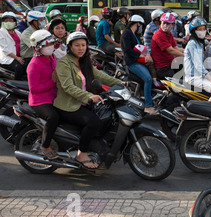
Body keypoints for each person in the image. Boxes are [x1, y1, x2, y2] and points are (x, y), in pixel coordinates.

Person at [53, 32, 122, 170]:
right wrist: (88, 96)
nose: (81, 48)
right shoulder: (64, 63)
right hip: (68, 105)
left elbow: (100, 75)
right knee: (94, 121)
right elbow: (68, 87)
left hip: (82, 102)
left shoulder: (84, 62)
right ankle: (81, 154)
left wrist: (121, 82)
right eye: (77, 45)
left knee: (106, 115)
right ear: (70, 47)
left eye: (83, 45)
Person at [27, 30, 60, 160]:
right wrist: (53, 81)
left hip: (53, 95)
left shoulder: (52, 57)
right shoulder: (34, 65)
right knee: (53, 117)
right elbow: (34, 89)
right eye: (47, 44)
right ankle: (45, 146)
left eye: (51, 43)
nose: (50, 46)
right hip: (39, 101)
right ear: (39, 48)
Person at [121, 15, 158, 115]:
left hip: (139, 60)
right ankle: (148, 106)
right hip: (132, 62)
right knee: (148, 79)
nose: (141, 27)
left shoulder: (135, 35)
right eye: (141, 25)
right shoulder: (127, 34)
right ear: (137, 23)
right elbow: (127, 50)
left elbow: (142, 47)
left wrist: (147, 55)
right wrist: (140, 55)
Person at [184, 17, 211, 93]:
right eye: (199, 29)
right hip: (194, 77)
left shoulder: (201, 42)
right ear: (194, 31)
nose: (202, 31)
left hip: (201, 76)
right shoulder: (192, 44)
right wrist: (210, 78)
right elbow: (198, 65)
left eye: (203, 29)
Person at [150, 12, 184, 80]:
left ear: (173, 24)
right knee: (177, 85)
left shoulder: (169, 34)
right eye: (163, 23)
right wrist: (185, 56)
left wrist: (188, 51)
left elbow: (175, 47)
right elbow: (171, 50)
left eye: (168, 23)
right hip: (163, 67)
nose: (165, 25)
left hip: (170, 64)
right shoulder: (159, 35)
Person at [0, 11, 26, 80]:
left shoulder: (18, 32)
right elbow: (5, 49)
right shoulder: (1, 32)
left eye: (10, 20)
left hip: (18, 56)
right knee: (19, 68)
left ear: (14, 22)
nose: (8, 22)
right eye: (6, 21)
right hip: (8, 58)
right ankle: (16, 85)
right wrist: (17, 58)